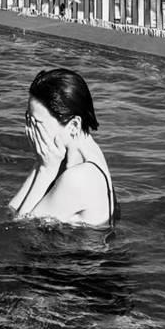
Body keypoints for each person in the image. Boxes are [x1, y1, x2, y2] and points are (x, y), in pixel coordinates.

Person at [9, 68, 117, 229]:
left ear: (73, 125)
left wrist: (45, 170)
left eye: (37, 124)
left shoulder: (78, 178)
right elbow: (11, 212)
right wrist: (40, 163)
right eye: (28, 119)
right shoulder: (84, 151)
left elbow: (20, 228)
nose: (29, 130)